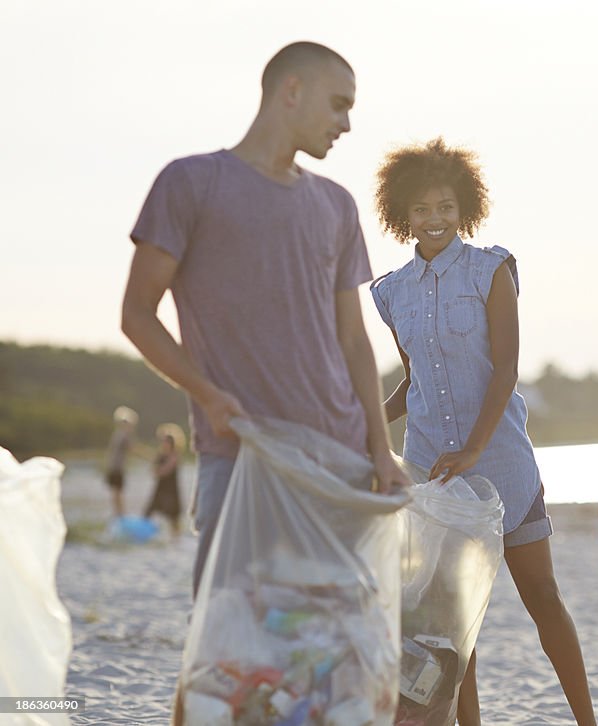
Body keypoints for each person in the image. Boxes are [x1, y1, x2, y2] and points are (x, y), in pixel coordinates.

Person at [121, 40, 410, 601]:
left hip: (340, 462)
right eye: (338, 104)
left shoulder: (337, 205)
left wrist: (379, 450)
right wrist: (206, 396)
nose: (347, 123)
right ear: (292, 92)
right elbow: (136, 315)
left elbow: (353, 340)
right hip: (243, 454)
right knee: (224, 655)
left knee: (326, 652)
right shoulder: (191, 183)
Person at [370, 138, 597, 726]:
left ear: (464, 206)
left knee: (543, 598)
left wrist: (474, 447)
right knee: (449, 624)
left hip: (500, 463)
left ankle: (588, 721)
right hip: (432, 474)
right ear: (404, 215)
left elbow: (506, 368)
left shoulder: (491, 269)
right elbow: (412, 383)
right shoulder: (390, 291)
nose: (435, 219)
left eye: (446, 206)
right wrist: (361, 421)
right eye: (422, 209)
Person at [145, 423, 184, 536]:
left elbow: (164, 471)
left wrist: (158, 469)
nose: (164, 444)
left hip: (171, 490)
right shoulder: (160, 455)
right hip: (160, 488)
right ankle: (146, 533)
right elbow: (153, 471)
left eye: (166, 442)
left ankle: (176, 538)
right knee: (149, 512)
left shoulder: (175, 456)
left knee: (173, 517)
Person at [103, 405, 137, 518]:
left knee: (115, 492)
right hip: (117, 468)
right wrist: (149, 456)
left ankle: (118, 514)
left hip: (113, 467)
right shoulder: (124, 435)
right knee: (118, 492)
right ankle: (120, 515)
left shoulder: (117, 433)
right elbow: (132, 449)